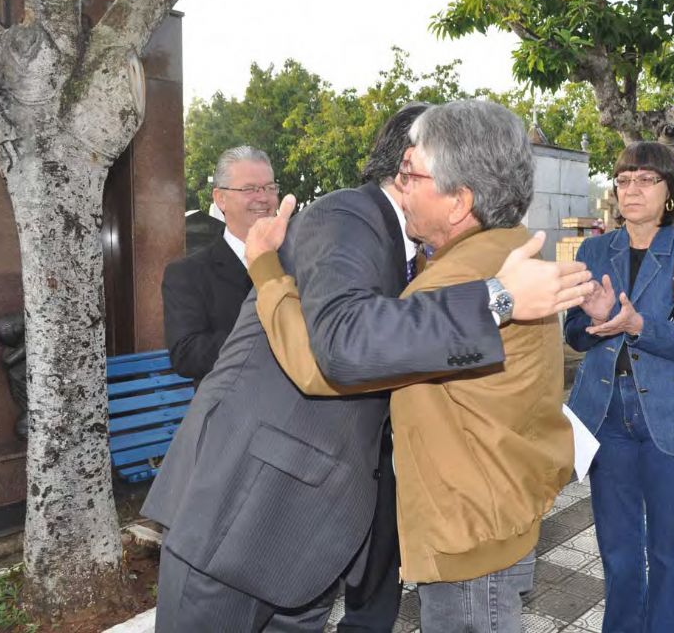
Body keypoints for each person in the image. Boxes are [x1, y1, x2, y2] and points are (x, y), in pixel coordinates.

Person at [141, 103, 595, 631]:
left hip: (344, 522)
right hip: (239, 507)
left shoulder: (461, 262)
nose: (404, 181)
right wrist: (264, 268)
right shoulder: (351, 218)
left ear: (459, 198)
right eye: (404, 169)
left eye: (414, 170)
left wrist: (266, 269)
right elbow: (341, 350)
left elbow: (368, 350)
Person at [563, 141, 674, 633]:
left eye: (645, 179)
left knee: (669, 554)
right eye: (623, 179)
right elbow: (573, 333)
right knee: (618, 554)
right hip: (606, 416)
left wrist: (636, 324)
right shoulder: (595, 250)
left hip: (673, 417)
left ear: (668, 192)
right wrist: (597, 321)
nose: (631, 189)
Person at [161, 145, 279, 386]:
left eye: (269, 187)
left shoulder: (298, 259)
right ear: (220, 199)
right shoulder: (188, 274)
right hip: (234, 404)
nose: (263, 198)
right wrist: (272, 335)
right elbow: (186, 355)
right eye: (249, 189)